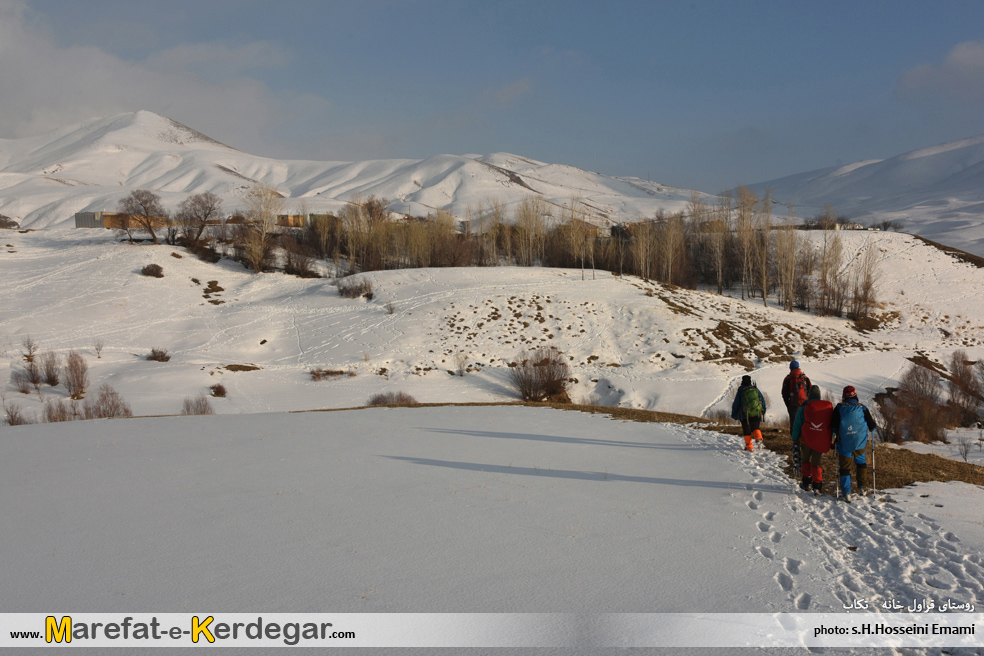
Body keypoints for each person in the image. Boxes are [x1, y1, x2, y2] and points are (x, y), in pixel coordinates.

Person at [831, 385, 878, 502]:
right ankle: (862, 488)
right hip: (860, 442)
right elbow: (872, 426)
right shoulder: (862, 408)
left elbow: (833, 426)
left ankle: (846, 493)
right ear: (855, 395)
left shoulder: (839, 409)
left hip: (845, 444)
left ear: (843, 396)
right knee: (861, 463)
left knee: (845, 468)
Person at [791, 385, 833, 496]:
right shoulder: (826, 408)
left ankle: (806, 483)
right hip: (820, 440)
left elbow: (797, 425)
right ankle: (817, 487)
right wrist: (830, 438)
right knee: (817, 463)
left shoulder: (805, 407)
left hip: (805, 440)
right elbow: (831, 426)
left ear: (809, 396)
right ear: (819, 396)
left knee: (805, 460)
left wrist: (794, 439)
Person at [781, 361, 812, 473]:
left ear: (790, 368)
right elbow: (811, 390)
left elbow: (784, 393)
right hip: (805, 405)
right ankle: (805, 444)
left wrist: (789, 405)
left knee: (794, 426)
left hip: (793, 406)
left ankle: (795, 445)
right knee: (804, 424)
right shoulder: (805, 377)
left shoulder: (788, 378)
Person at [731, 374, 767, 452]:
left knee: (747, 430)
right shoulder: (755, 389)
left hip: (745, 415)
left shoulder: (741, 390)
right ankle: (759, 439)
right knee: (755, 428)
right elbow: (762, 399)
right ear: (750, 381)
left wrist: (734, 414)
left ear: (742, 382)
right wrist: (763, 410)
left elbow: (736, 404)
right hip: (756, 413)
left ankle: (749, 447)